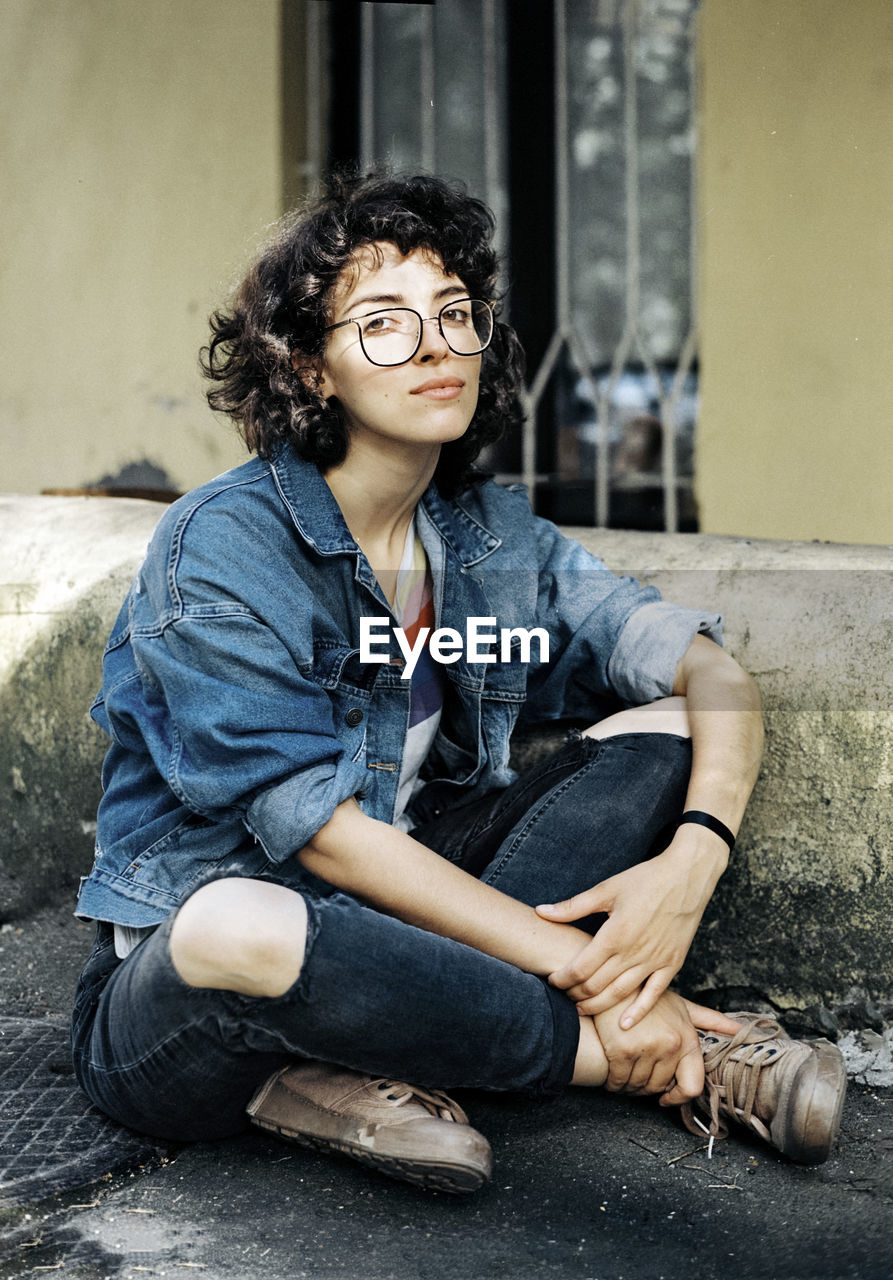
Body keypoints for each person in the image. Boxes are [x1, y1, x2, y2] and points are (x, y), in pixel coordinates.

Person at [72, 173, 846, 1193]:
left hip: (397, 925)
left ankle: (359, 1065)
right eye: (384, 323)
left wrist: (690, 862)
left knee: (671, 723)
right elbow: (323, 838)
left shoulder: (484, 534)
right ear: (311, 369)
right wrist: (598, 981)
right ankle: (646, 1057)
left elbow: (707, 669)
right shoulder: (221, 545)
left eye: (453, 313)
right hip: (194, 982)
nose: (436, 345)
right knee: (240, 918)